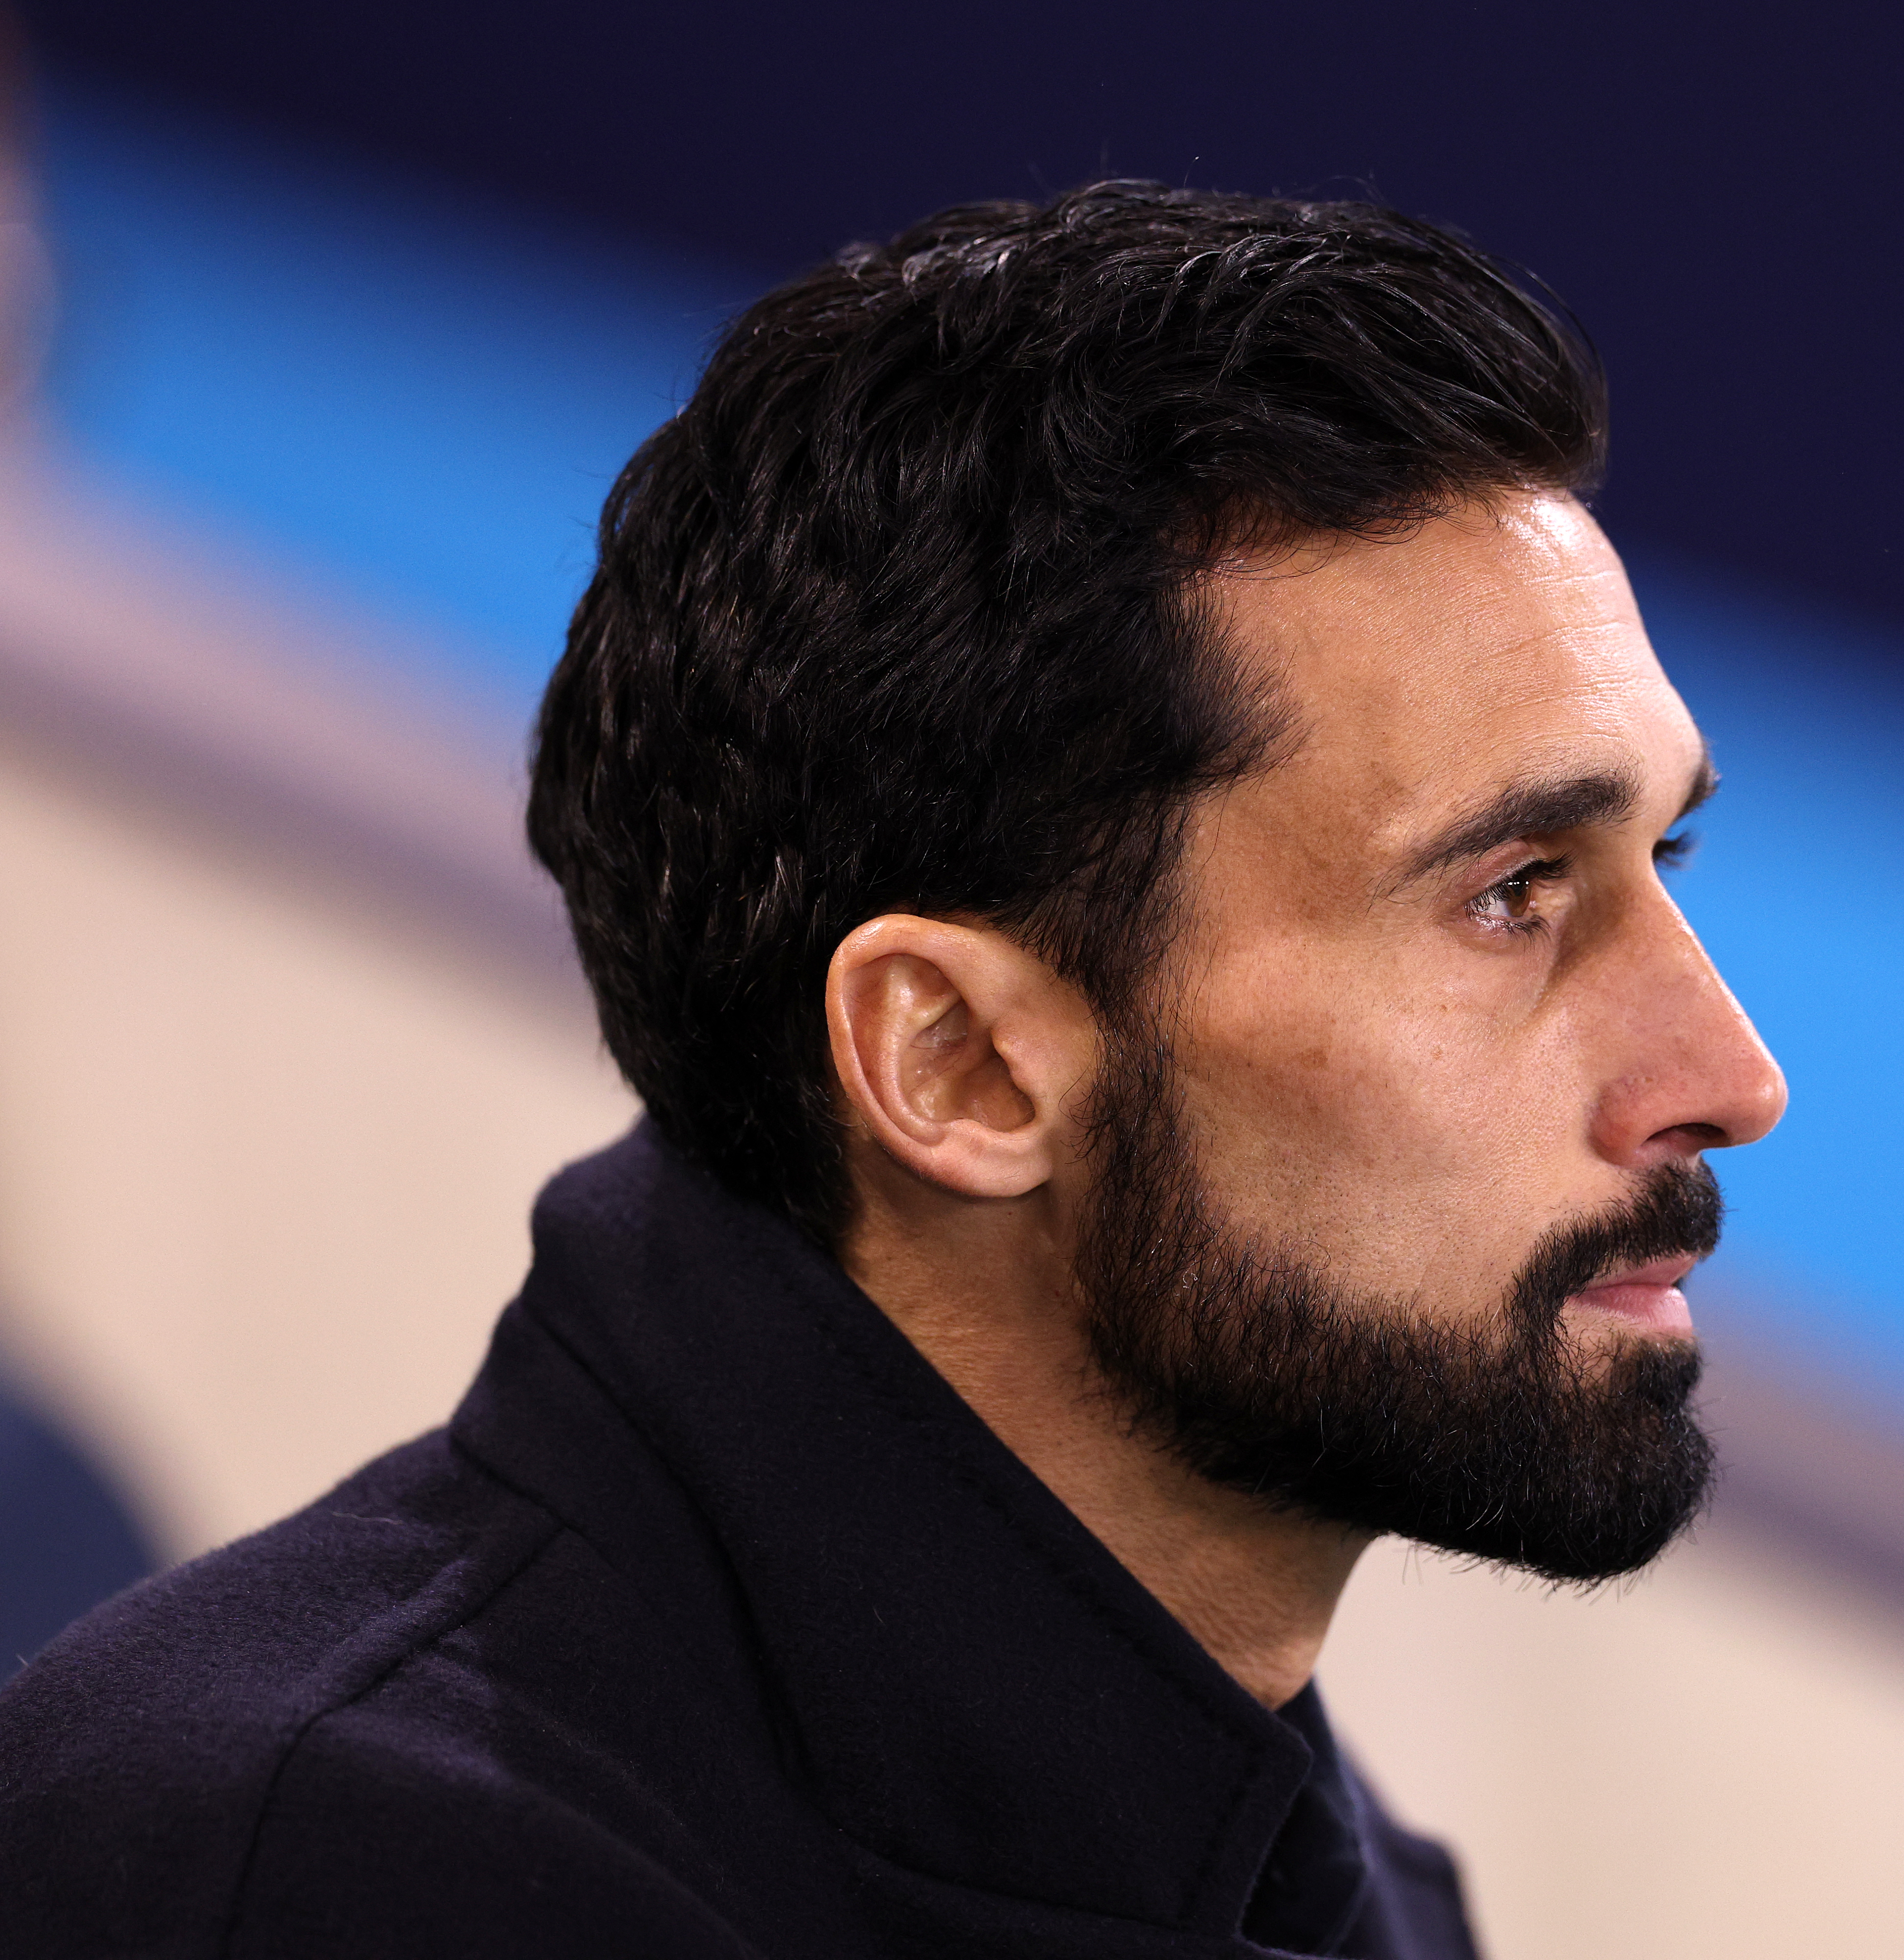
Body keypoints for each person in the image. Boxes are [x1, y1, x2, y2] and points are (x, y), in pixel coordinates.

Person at [0, 182, 1784, 1958]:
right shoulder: (318, 1882)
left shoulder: (1328, 1880)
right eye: (1511, 894)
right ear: (960, 1066)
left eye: (1664, 858)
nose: (1731, 1077)